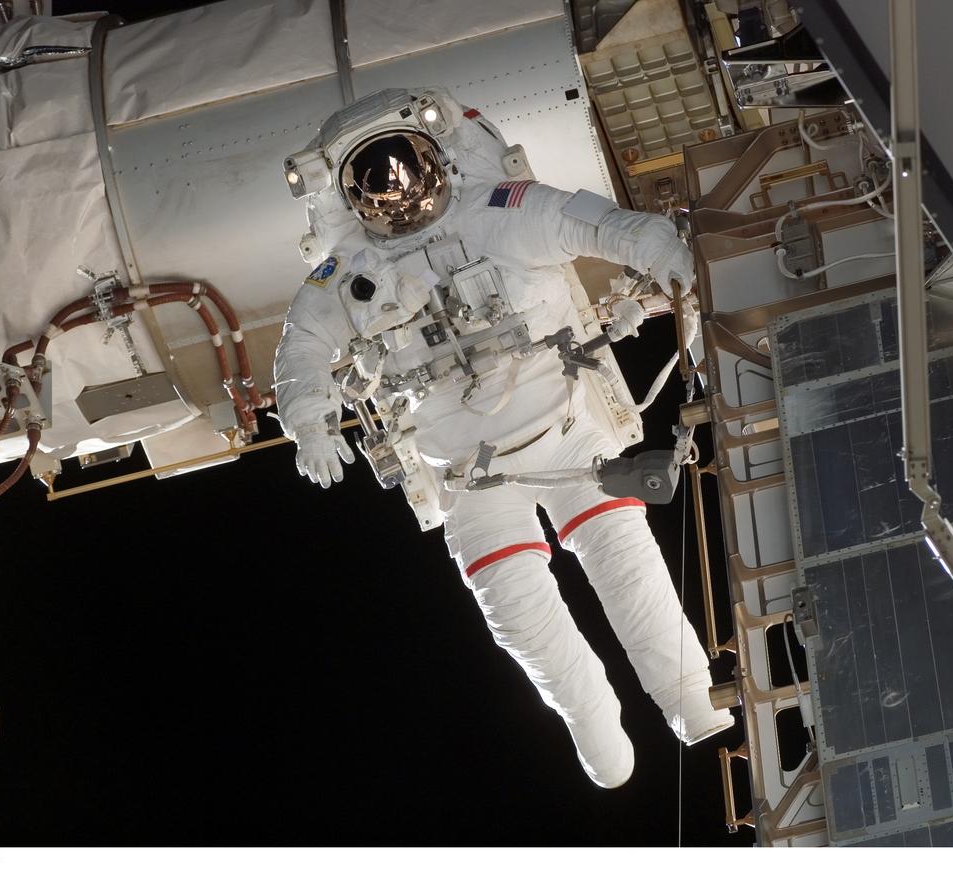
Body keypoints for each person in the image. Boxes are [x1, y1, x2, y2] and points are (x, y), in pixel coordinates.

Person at [274, 88, 732, 788]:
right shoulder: (347, 279)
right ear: (350, 196)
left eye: (401, 165)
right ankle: (590, 716)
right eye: (374, 179)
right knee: (521, 621)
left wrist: (668, 258)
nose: (393, 189)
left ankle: (687, 699)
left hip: (568, 433)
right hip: (467, 474)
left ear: (432, 160)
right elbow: (301, 350)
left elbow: (608, 227)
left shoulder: (506, 212)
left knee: (626, 568)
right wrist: (308, 422)